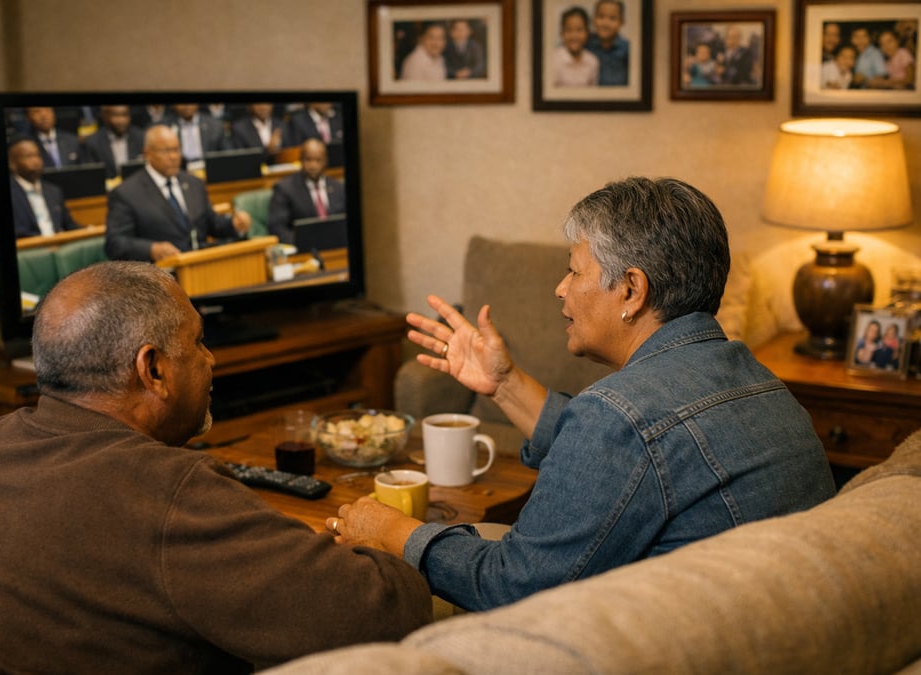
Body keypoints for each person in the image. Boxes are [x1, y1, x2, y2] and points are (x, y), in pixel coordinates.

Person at [328, 177, 836, 612]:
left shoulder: (618, 416)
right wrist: (504, 384)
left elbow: (511, 586)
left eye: (574, 270)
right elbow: (635, 457)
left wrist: (394, 531)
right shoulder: (757, 380)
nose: (560, 288)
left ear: (633, 291)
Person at [0, 261, 432, 672]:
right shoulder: (167, 492)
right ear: (153, 369)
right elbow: (379, 614)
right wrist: (379, 541)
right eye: (199, 341)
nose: (212, 359)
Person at [104, 124, 251, 261]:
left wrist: (233, 224)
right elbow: (115, 243)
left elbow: (210, 222)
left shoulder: (194, 183)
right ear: (147, 154)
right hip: (160, 274)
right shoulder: (126, 193)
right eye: (165, 151)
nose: (173, 157)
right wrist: (151, 249)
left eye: (176, 150)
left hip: (200, 264)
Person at [267, 138, 345, 245]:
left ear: (326, 161)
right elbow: (277, 227)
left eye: (318, 160)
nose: (313, 165)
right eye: (308, 160)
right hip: (303, 249)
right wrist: (300, 243)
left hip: (336, 246)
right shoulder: (285, 188)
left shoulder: (338, 187)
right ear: (301, 160)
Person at [7, 135, 82, 238]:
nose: (36, 161)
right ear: (12, 164)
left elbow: (69, 225)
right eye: (28, 156)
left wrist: (89, 230)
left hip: (59, 249)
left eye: (38, 155)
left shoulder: (53, 191)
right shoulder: (9, 194)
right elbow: (18, 233)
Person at [81, 104, 146, 179]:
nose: (121, 120)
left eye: (125, 115)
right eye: (116, 115)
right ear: (106, 116)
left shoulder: (141, 137)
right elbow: (91, 176)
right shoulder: (93, 143)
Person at [553, 6, 599, 87]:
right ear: (561, 33)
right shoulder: (554, 60)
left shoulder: (593, 61)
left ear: (587, 33)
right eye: (568, 30)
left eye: (579, 30)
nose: (574, 36)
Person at [585, 0, 629, 86]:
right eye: (601, 17)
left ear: (621, 22)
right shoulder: (586, 44)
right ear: (593, 19)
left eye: (612, 18)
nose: (605, 23)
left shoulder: (627, 49)